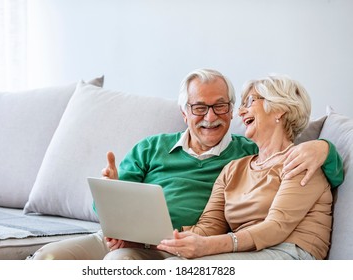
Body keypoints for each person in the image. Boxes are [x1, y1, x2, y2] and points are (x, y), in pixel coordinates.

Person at [30, 69, 343, 260]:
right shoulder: (157, 149)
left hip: (199, 246)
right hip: (138, 239)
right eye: (199, 108)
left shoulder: (255, 154)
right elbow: (110, 208)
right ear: (184, 112)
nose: (212, 116)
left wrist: (323, 147)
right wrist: (109, 203)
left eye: (221, 106)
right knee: (49, 258)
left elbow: (314, 169)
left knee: (126, 265)